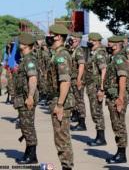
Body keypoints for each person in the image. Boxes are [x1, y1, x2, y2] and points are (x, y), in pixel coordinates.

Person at [46, 24, 75, 170]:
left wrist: (60, 104)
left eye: (51, 34)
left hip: (61, 101)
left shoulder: (61, 56)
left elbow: (65, 81)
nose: (48, 37)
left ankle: (67, 166)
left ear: (58, 37)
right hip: (58, 99)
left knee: (62, 138)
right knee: (60, 137)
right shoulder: (57, 54)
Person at [14, 33, 39, 164]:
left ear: (27, 45)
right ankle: (29, 153)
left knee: (28, 126)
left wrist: (30, 97)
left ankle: (31, 156)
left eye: (21, 42)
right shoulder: (25, 59)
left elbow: (33, 78)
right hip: (22, 98)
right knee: (25, 125)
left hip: (26, 98)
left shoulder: (29, 60)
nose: (19, 44)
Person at [105, 35, 129, 164]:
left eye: (109, 44)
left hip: (117, 98)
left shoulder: (120, 58)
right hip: (113, 96)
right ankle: (120, 152)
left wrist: (120, 98)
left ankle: (122, 154)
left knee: (119, 125)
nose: (108, 46)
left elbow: (123, 78)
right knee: (116, 125)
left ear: (116, 45)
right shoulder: (114, 58)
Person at [85, 32, 108, 146]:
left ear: (97, 41)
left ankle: (101, 138)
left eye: (91, 40)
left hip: (96, 86)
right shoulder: (93, 53)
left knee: (97, 111)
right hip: (91, 86)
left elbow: (104, 70)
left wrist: (101, 88)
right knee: (95, 111)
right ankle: (99, 136)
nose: (89, 42)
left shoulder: (99, 54)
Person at [69, 32, 87, 131]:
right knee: (76, 100)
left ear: (77, 40)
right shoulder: (73, 50)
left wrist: (79, 79)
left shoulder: (79, 50)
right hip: (73, 79)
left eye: (73, 39)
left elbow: (81, 65)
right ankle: (78, 119)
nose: (71, 41)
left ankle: (82, 123)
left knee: (79, 101)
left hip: (77, 79)